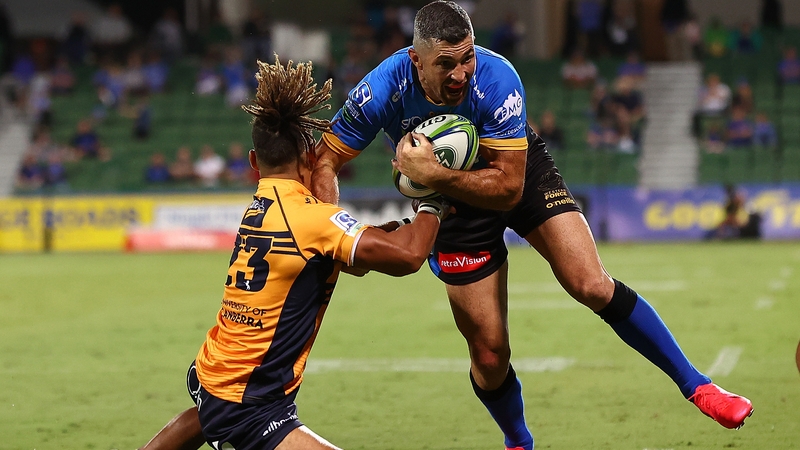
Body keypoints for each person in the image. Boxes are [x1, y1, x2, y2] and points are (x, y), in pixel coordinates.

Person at [312, 2, 753, 448]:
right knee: (489, 355)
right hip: (451, 206)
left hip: (514, 171)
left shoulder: (497, 77)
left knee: (591, 284)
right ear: (415, 60)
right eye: (445, 63)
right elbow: (325, 161)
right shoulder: (380, 89)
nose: (461, 73)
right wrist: (334, 235)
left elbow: (508, 187)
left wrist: (435, 175)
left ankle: (699, 386)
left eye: (466, 57)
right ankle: (519, 441)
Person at [139, 57, 449, 450]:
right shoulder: (310, 220)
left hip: (216, 369)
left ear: (254, 163)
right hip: (252, 401)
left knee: (208, 414)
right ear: (309, 158)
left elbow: (338, 259)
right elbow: (408, 258)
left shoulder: (260, 207)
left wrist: (386, 232)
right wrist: (432, 193)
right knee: (223, 415)